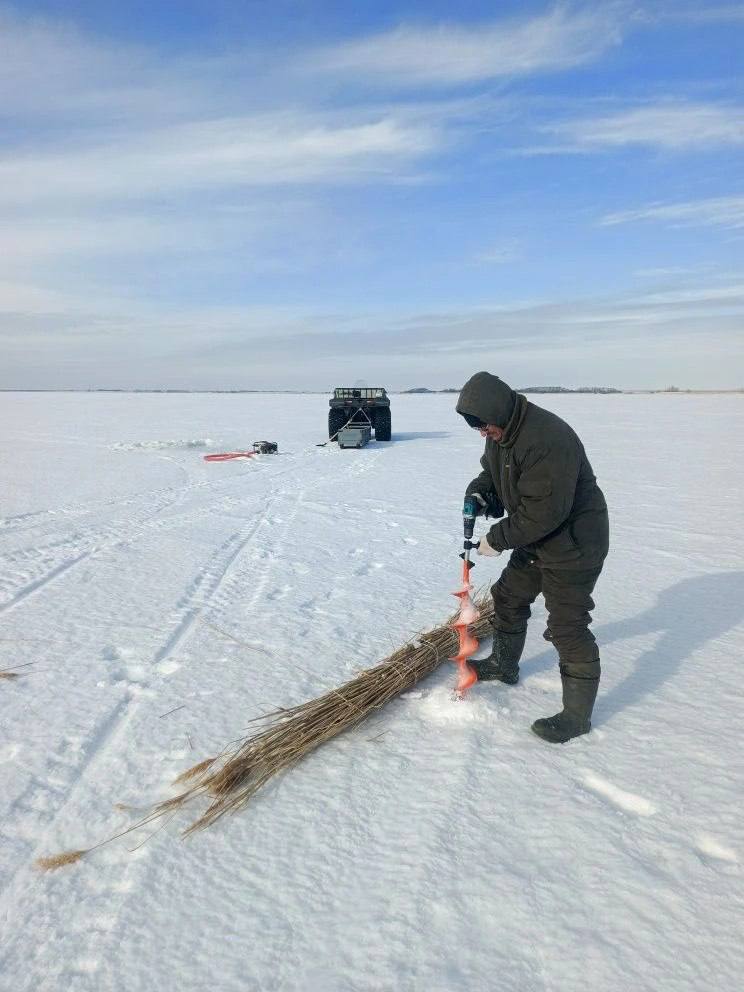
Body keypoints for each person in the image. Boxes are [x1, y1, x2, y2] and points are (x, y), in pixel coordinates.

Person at [456, 372, 609, 743]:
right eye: (476, 427)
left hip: (573, 543)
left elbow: (546, 512)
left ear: (499, 411)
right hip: (537, 539)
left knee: (567, 627)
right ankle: (504, 665)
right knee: (508, 597)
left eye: (484, 425)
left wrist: (498, 538)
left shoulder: (547, 438)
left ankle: (577, 718)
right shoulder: (503, 434)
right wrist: (480, 493)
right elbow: (493, 475)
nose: (482, 433)